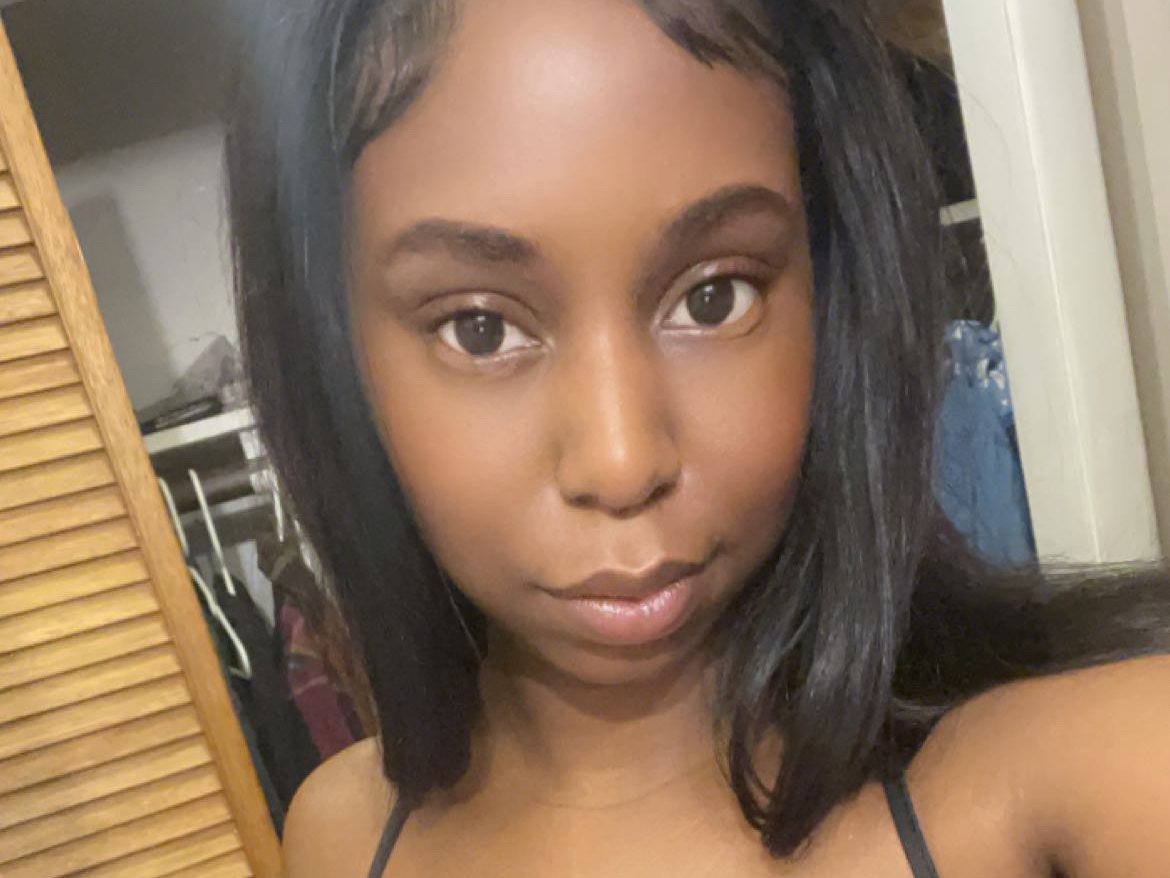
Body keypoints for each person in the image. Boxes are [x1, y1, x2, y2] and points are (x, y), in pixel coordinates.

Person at [225, 0, 1170, 875]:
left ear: (830, 295)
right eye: (480, 329)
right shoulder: (341, 837)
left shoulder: (1082, 777)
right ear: (334, 360)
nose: (622, 461)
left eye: (714, 298)